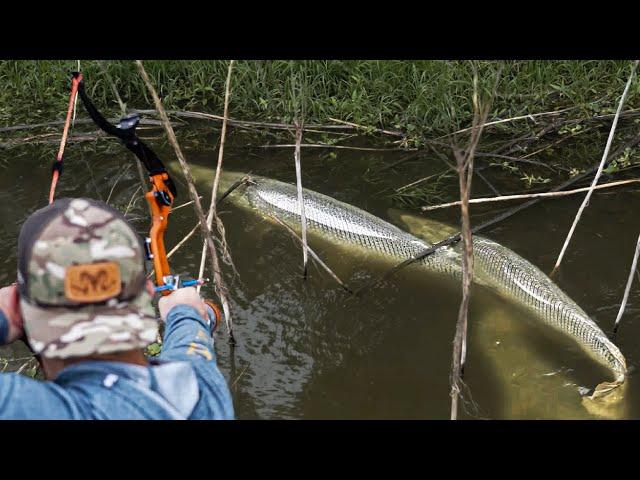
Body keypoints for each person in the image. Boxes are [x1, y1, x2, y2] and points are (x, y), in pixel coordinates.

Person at [0, 197, 234, 419]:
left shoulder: (29, 409)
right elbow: (191, 344)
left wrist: (6, 316)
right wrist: (187, 313)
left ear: (19, 312)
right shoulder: (204, 392)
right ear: (147, 292)